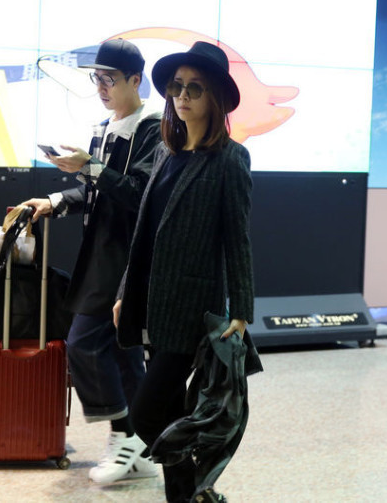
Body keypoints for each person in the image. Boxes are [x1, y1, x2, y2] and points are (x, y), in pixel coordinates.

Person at [113, 41, 255, 503]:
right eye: (177, 87)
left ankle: (196, 482)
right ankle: (191, 496)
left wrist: (241, 309)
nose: (182, 96)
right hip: (151, 301)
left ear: (216, 97)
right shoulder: (165, 153)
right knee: (171, 409)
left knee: (146, 415)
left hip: (193, 307)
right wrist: (124, 291)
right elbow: (145, 232)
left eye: (195, 88)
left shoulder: (230, 158)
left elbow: (237, 237)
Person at [19, 38, 162, 484]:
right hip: (100, 250)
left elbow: (139, 195)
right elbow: (100, 190)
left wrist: (89, 167)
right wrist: (57, 200)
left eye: (109, 79)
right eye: (96, 79)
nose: (101, 87)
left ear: (135, 80)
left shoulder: (153, 128)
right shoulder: (106, 127)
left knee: (84, 342)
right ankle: (140, 446)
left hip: (127, 255)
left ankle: (124, 437)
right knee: (124, 353)